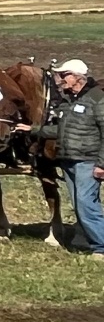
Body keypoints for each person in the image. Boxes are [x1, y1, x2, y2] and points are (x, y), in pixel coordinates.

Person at [53, 59, 104, 258]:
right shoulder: (69, 101)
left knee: (86, 204)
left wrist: (102, 164)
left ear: (77, 77)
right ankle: (92, 241)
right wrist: (32, 129)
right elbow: (61, 130)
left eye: (64, 75)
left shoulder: (97, 99)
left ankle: (101, 247)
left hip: (87, 161)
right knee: (79, 204)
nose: (61, 79)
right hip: (69, 160)